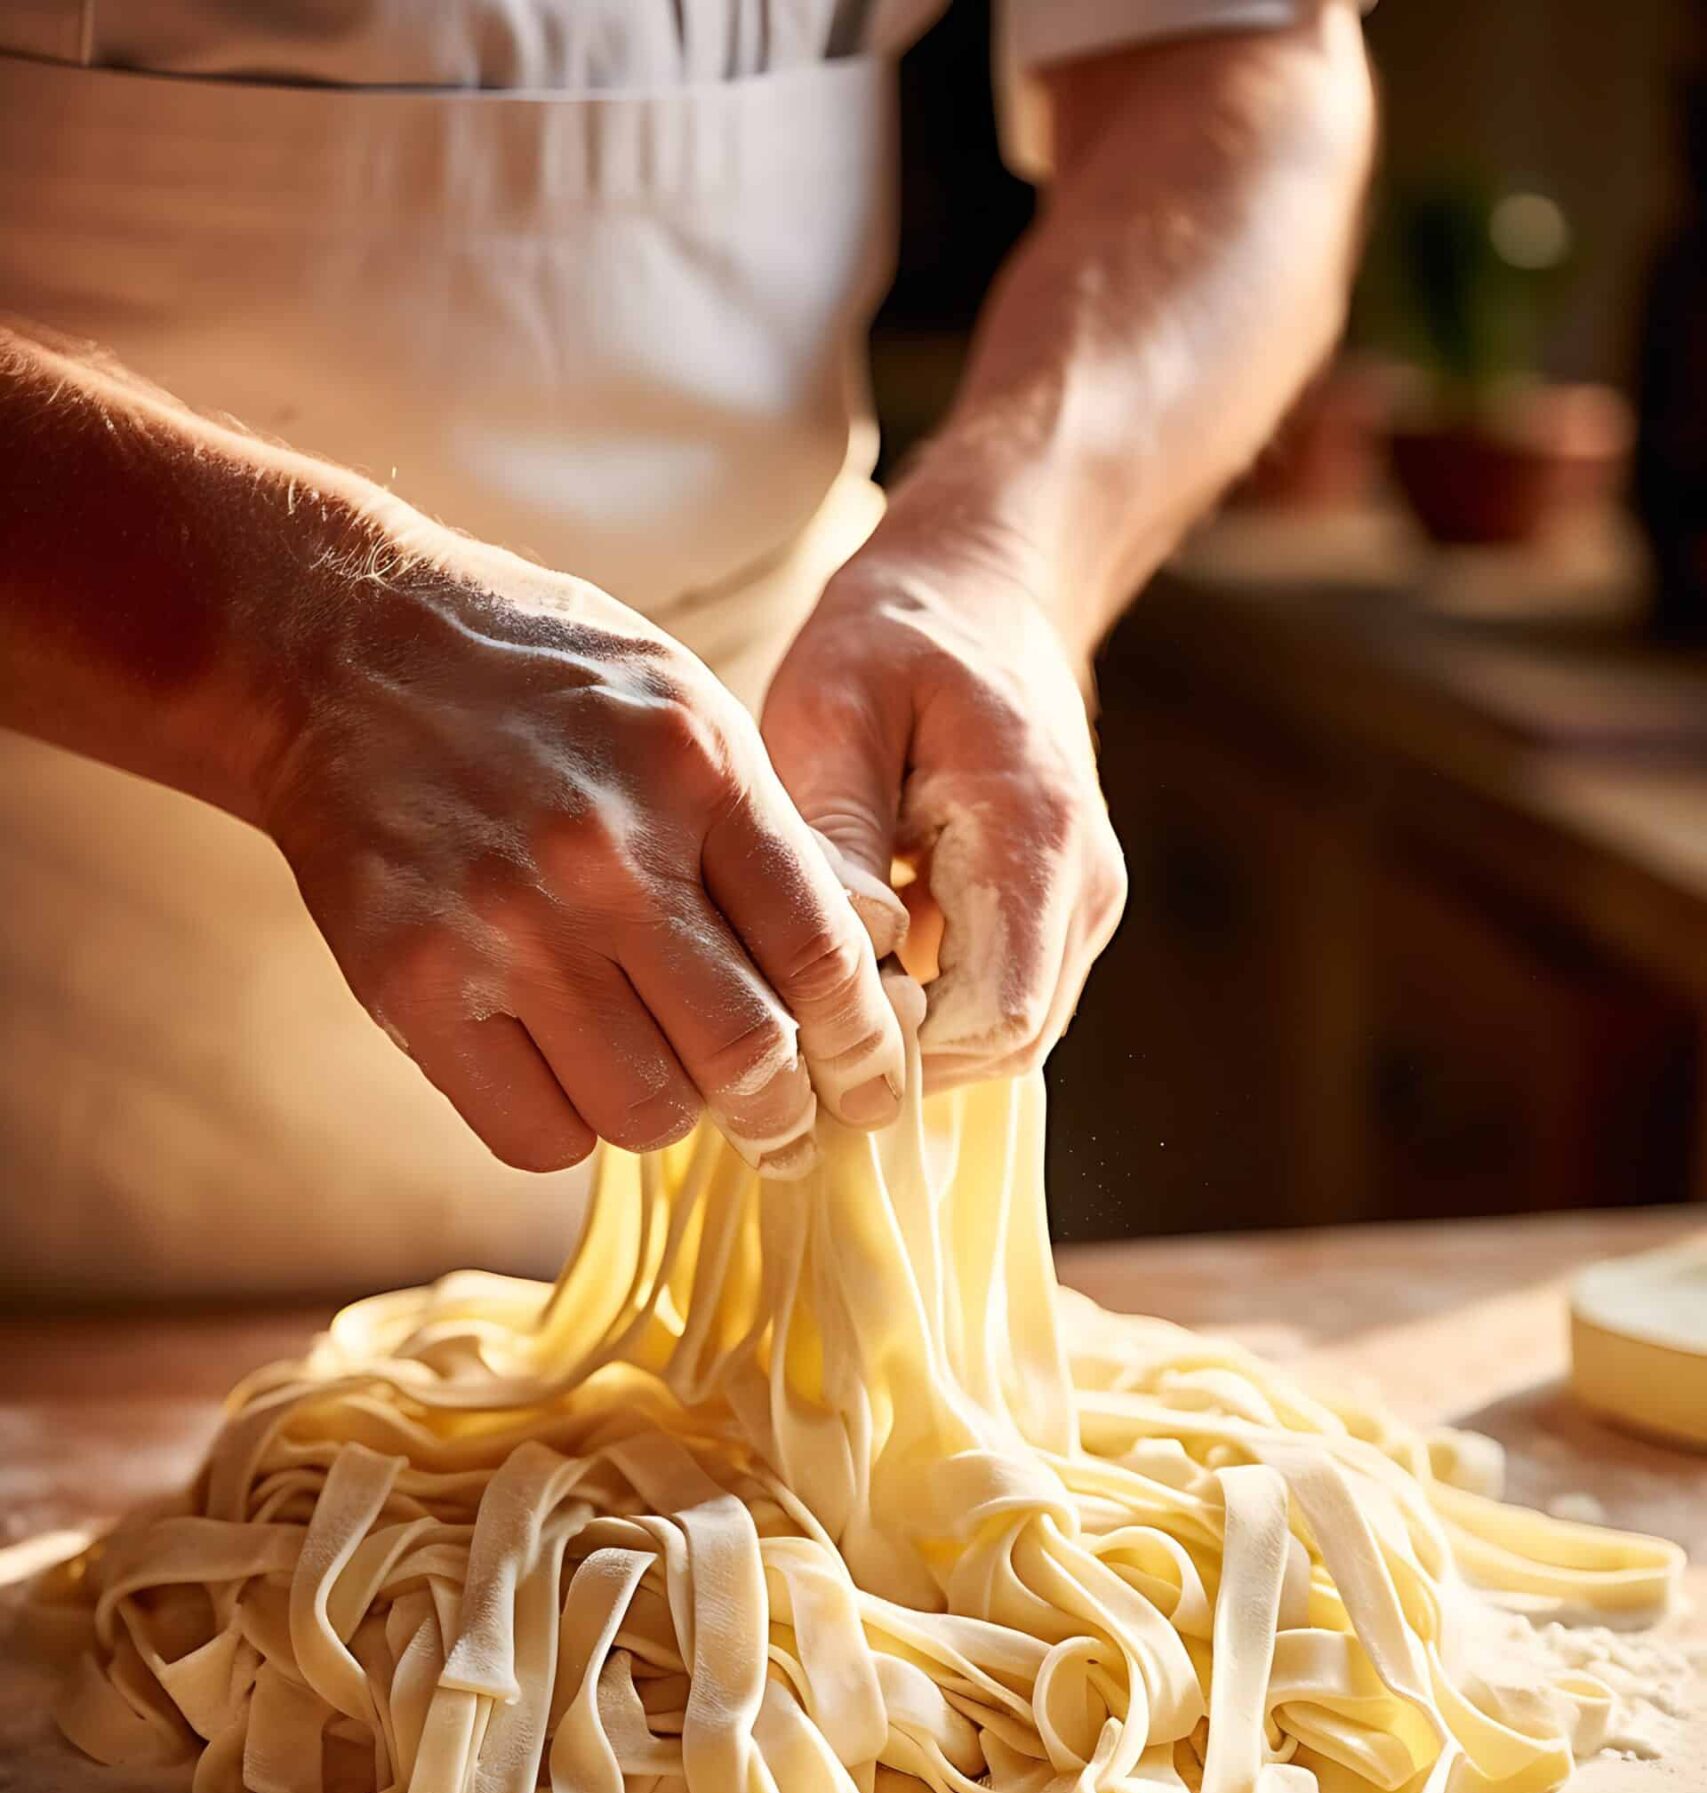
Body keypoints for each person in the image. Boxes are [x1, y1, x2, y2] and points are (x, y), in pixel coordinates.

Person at [0, 1, 1376, 1301]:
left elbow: (1230, 61)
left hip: (760, 863)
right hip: (60, 1050)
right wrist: (283, 649)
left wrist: (1010, 559)